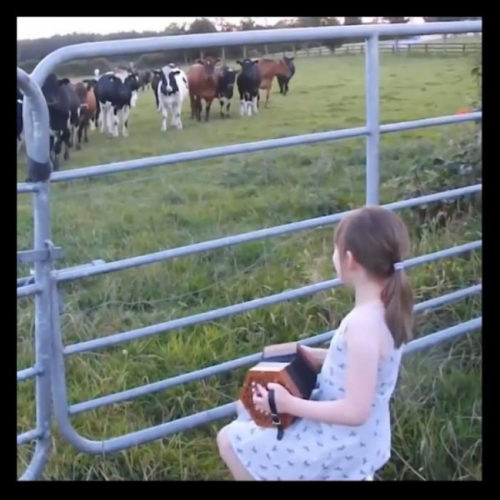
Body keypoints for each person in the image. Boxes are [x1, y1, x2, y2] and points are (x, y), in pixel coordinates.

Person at [217, 206, 414, 480]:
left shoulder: (363, 324)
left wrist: (289, 404)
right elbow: (366, 364)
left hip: (337, 439)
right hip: (365, 438)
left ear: (350, 259)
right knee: (246, 410)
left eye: (335, 249)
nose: (333, 256)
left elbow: (355, 411)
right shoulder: (385, 309)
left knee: (229, 439)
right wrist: (322, 356)